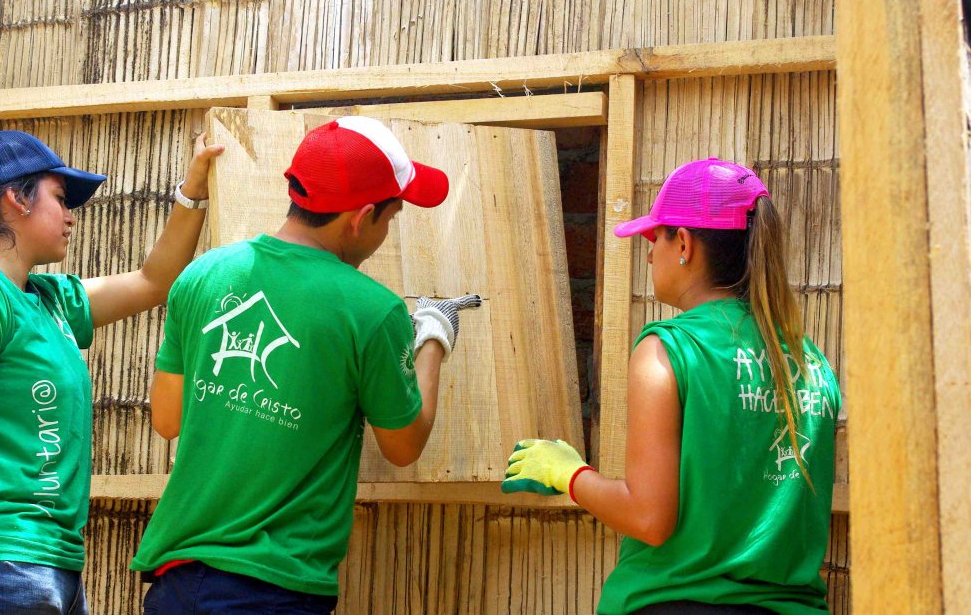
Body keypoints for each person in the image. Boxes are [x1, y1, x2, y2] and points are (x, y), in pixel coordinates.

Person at [131, 116, 481, 613]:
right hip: (273, 589)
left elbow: (168, 420)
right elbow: (403, 446)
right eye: (392, 216)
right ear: (361, 217)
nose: (387, 229)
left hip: (176, 580)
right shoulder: (372, 310)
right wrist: (431, 341)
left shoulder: (202, 276)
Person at [0, 129, 224, 614]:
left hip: (51, 565)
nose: (72, 216)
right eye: (60, 197)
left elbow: (153, 281)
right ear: (15, 199)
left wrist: (193, 190)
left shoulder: (48, 300)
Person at [502, 158, 840, 614]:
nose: (647, 253)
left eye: (654, 236)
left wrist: (568, 472)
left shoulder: (669, 350)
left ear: (683, 243)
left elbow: (649, 518)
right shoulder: (810, 361)